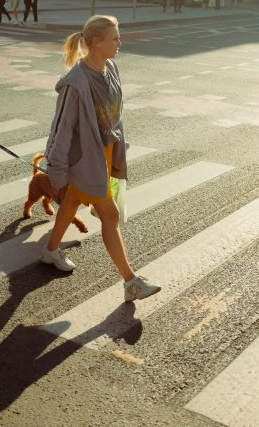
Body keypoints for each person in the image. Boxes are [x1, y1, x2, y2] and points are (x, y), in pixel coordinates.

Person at [40, 15, 161, 302]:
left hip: (104, 155)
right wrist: (56, 171)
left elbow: (115, 116)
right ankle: (131, 281)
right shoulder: (75, 82)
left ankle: (50, 249)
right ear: (95, 42)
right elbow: (62, 128)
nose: (120, 43)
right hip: (85, 160)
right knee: (111, 215)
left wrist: (119, 149)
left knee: (71, 202)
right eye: (115, 38)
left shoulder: (111, 68)